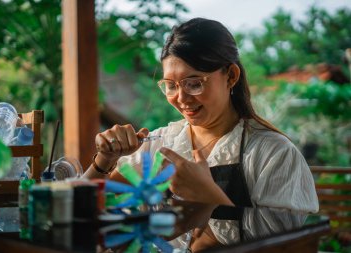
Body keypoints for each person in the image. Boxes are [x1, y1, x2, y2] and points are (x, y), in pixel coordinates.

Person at [83, 18, 318, 250]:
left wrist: (210, 199)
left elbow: (287, 247)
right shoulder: (161, 144)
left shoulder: (272, 153)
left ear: (231, 76)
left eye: (194, 83)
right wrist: (105, 160)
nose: (181, 98)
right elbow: (83, 212)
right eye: (171, 85)